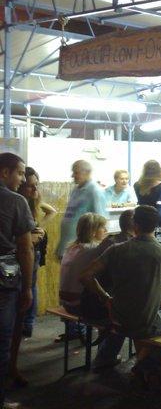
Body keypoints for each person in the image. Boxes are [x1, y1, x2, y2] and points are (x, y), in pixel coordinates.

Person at [80, 205, 161, 390]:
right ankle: (148, 368)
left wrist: (105, 297)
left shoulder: (115, 250)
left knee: (158, 317)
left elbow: (85, 276)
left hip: (117, 318)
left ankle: (142, 367)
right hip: (146, 322)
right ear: (156, 226)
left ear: (135, 225)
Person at [0, 153, 35, 408]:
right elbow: (25, 248)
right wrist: (28, 288)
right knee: (2, 341)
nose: (22, 179)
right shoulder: (15, 201)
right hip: (5, 280)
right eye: (20, 173)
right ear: (5, 172)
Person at [16, 167, 56, 338]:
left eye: (36, 185)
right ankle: (24, 324)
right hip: (22, 251)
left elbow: (52, 211)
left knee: (30, 287)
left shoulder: (32, 202)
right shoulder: (17, 202)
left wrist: (40, 229)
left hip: (32, 251)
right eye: (30, 186)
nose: (35, 190)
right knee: (27, 287)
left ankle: (27, 324)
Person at [59, 213, 108, 316]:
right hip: (79, 303)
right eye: (103, 227)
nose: (106, 230)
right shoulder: (94, 249)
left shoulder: (71, 248)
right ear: (93, 231)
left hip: (64, 301)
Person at [57, 160, 107, 259]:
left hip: (83, 250)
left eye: (76, 172)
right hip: (69, 246)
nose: (72, 175)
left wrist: (98, 250)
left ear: (87, 173)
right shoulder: (76, 190)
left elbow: (101, 222)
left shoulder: (95, 191)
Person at [134, 160, 161, 245]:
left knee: (141, 246)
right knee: (160, 248)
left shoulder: (136, 185)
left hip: (141, 220)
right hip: (158, 222)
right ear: (158, 171)